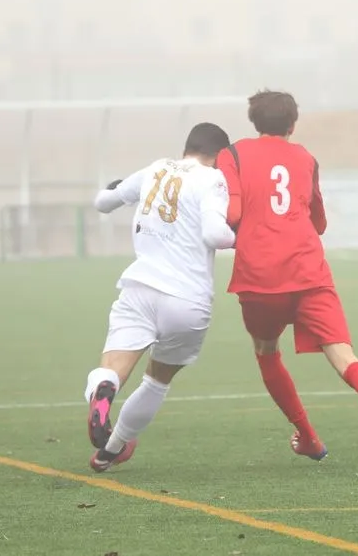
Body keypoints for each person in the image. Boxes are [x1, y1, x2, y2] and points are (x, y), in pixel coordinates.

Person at [216, 89, 358, 474]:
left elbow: (232, 212)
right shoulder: (306, 158)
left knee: (266, 351)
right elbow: (320, 223)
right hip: (308, 270)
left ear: (253, 121)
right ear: (293, 124)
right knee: (345, 357)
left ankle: (309, 437)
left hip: (259, 276)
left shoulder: (231, 155)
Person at [83, 123, 236, 472]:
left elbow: (104, 202)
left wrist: (113, 188)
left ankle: (104, 389)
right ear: (219, 156)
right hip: (187, 299)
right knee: (156, 381)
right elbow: (215, 234)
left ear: (187, 148)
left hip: (140, 287)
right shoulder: (213, 180)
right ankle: (113, 448)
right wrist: (240, 236)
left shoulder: (156, 168)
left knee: (112, 369)